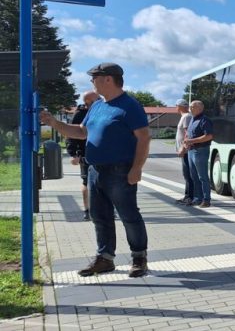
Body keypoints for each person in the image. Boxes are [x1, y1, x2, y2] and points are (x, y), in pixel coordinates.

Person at [40, 62, 150, 278]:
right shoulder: (97, 106)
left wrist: (137, 168)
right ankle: (105, 258)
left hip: (120, 171)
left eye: (94, 78)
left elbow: (144, 137)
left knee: (129, 215)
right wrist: (53, 123)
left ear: (108, 79)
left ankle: (139, 258)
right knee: (99, 216)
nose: (91, 81)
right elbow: (81, 132)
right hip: (94, 170)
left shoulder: (130, 105)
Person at [65, 91, 100, 221]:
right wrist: (73, 154)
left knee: (107, 182)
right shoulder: (80, 114)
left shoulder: (106, 110)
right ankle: (87, 210)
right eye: (86, 103)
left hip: (104, 154)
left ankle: (107, 208)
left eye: (91, 102)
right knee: (86, 182)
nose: (88, 105)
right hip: (86, 153)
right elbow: (71, 134)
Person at [184, 100, 214, 208]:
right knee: (194, 176)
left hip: (201, 150)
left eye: (192, 106)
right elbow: (189, 134)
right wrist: (186, 142)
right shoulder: (192, 119)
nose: (190, 108)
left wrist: (191, 141)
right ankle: (197, 199)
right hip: (191, 150)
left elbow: (209, 136)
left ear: (200, 108)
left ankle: (206, 200)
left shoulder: (204, 120)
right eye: (190, 106)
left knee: (202, 176)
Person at [174, 99, 194, 205]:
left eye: (176, 105)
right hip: (184, 151)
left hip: (186, 151)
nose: (176, 107)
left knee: (188, 174)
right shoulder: (184, 116)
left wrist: (183, 148)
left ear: (181, 106)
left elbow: (187, 133)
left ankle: (190, 197)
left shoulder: (186, 117)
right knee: (186, 174)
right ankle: (187, 196)